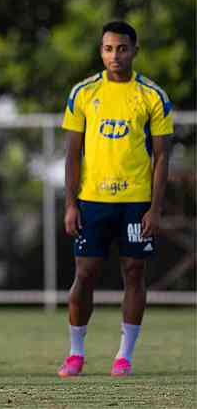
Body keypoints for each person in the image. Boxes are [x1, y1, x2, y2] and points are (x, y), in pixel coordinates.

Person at [57, 20, 173, 378]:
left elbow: (162, 157)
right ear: (101, 51)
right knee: (85, 275)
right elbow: (72, 154)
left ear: (134, 51)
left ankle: (124, 355)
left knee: (134, 273)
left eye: (122, 48)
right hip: (92, 201)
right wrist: (71, 204)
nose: (115, 55)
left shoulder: (153, 96)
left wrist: (155, 208)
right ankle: (76, 353)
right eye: (108, 49)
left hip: (136, 202)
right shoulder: (83, 93)